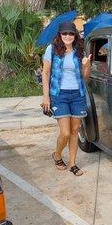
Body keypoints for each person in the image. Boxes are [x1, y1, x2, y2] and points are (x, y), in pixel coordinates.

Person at [41, 22, 92, 176]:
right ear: (60, 35)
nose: (68, 36)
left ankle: (72, 164)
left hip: (78, 95)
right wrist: (46, 97)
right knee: (65, 132)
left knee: (74, 131)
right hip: (59, 95)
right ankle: (57, 155)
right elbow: (45, 73)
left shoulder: (79, 50)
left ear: (75, 35)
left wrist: (87, 65)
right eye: (65, 34)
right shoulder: (52, 49)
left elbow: (86, 77)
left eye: (71, 34)